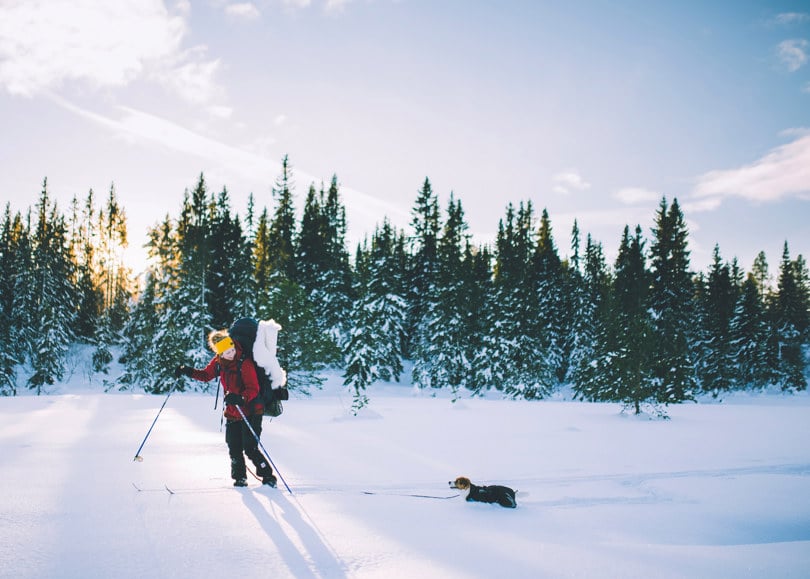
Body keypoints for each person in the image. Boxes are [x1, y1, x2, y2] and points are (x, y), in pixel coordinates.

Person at [175, 329, 277, 488]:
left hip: (251, 410)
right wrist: (187, 371)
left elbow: (253, 388)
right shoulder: (218, 363)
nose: (231, 354)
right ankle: (240, 479)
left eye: (232, 350)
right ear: (219, 354)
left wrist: (241, 398)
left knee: (250, 448)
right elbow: (205, 376)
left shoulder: (245, 362)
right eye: (227, 352)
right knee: (234, 447)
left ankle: (268, 477)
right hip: (232, 412)